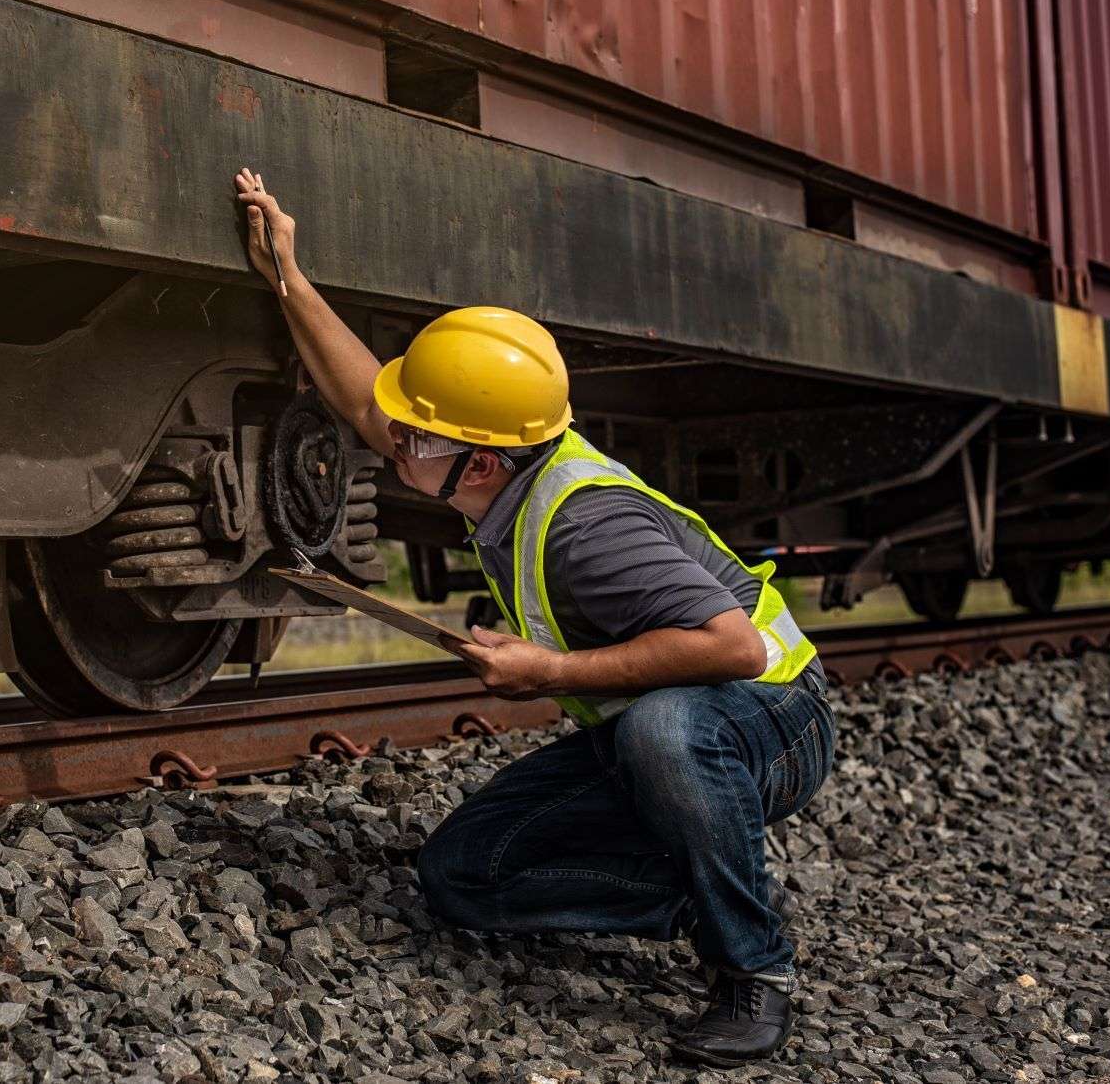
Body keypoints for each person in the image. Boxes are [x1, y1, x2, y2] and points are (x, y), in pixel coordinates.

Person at [233, 168, 836, 1068]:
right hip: (664, 723)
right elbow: (366, 400)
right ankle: (702, 890)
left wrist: (548, 675)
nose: (390, 438)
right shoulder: (497, 462)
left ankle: (754, 968)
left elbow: (735, 646)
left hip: (774, 722)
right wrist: (287, 274)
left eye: (412, 438)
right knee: (461, 875)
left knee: (668, 733)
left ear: (476, 464)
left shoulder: (587, 529)